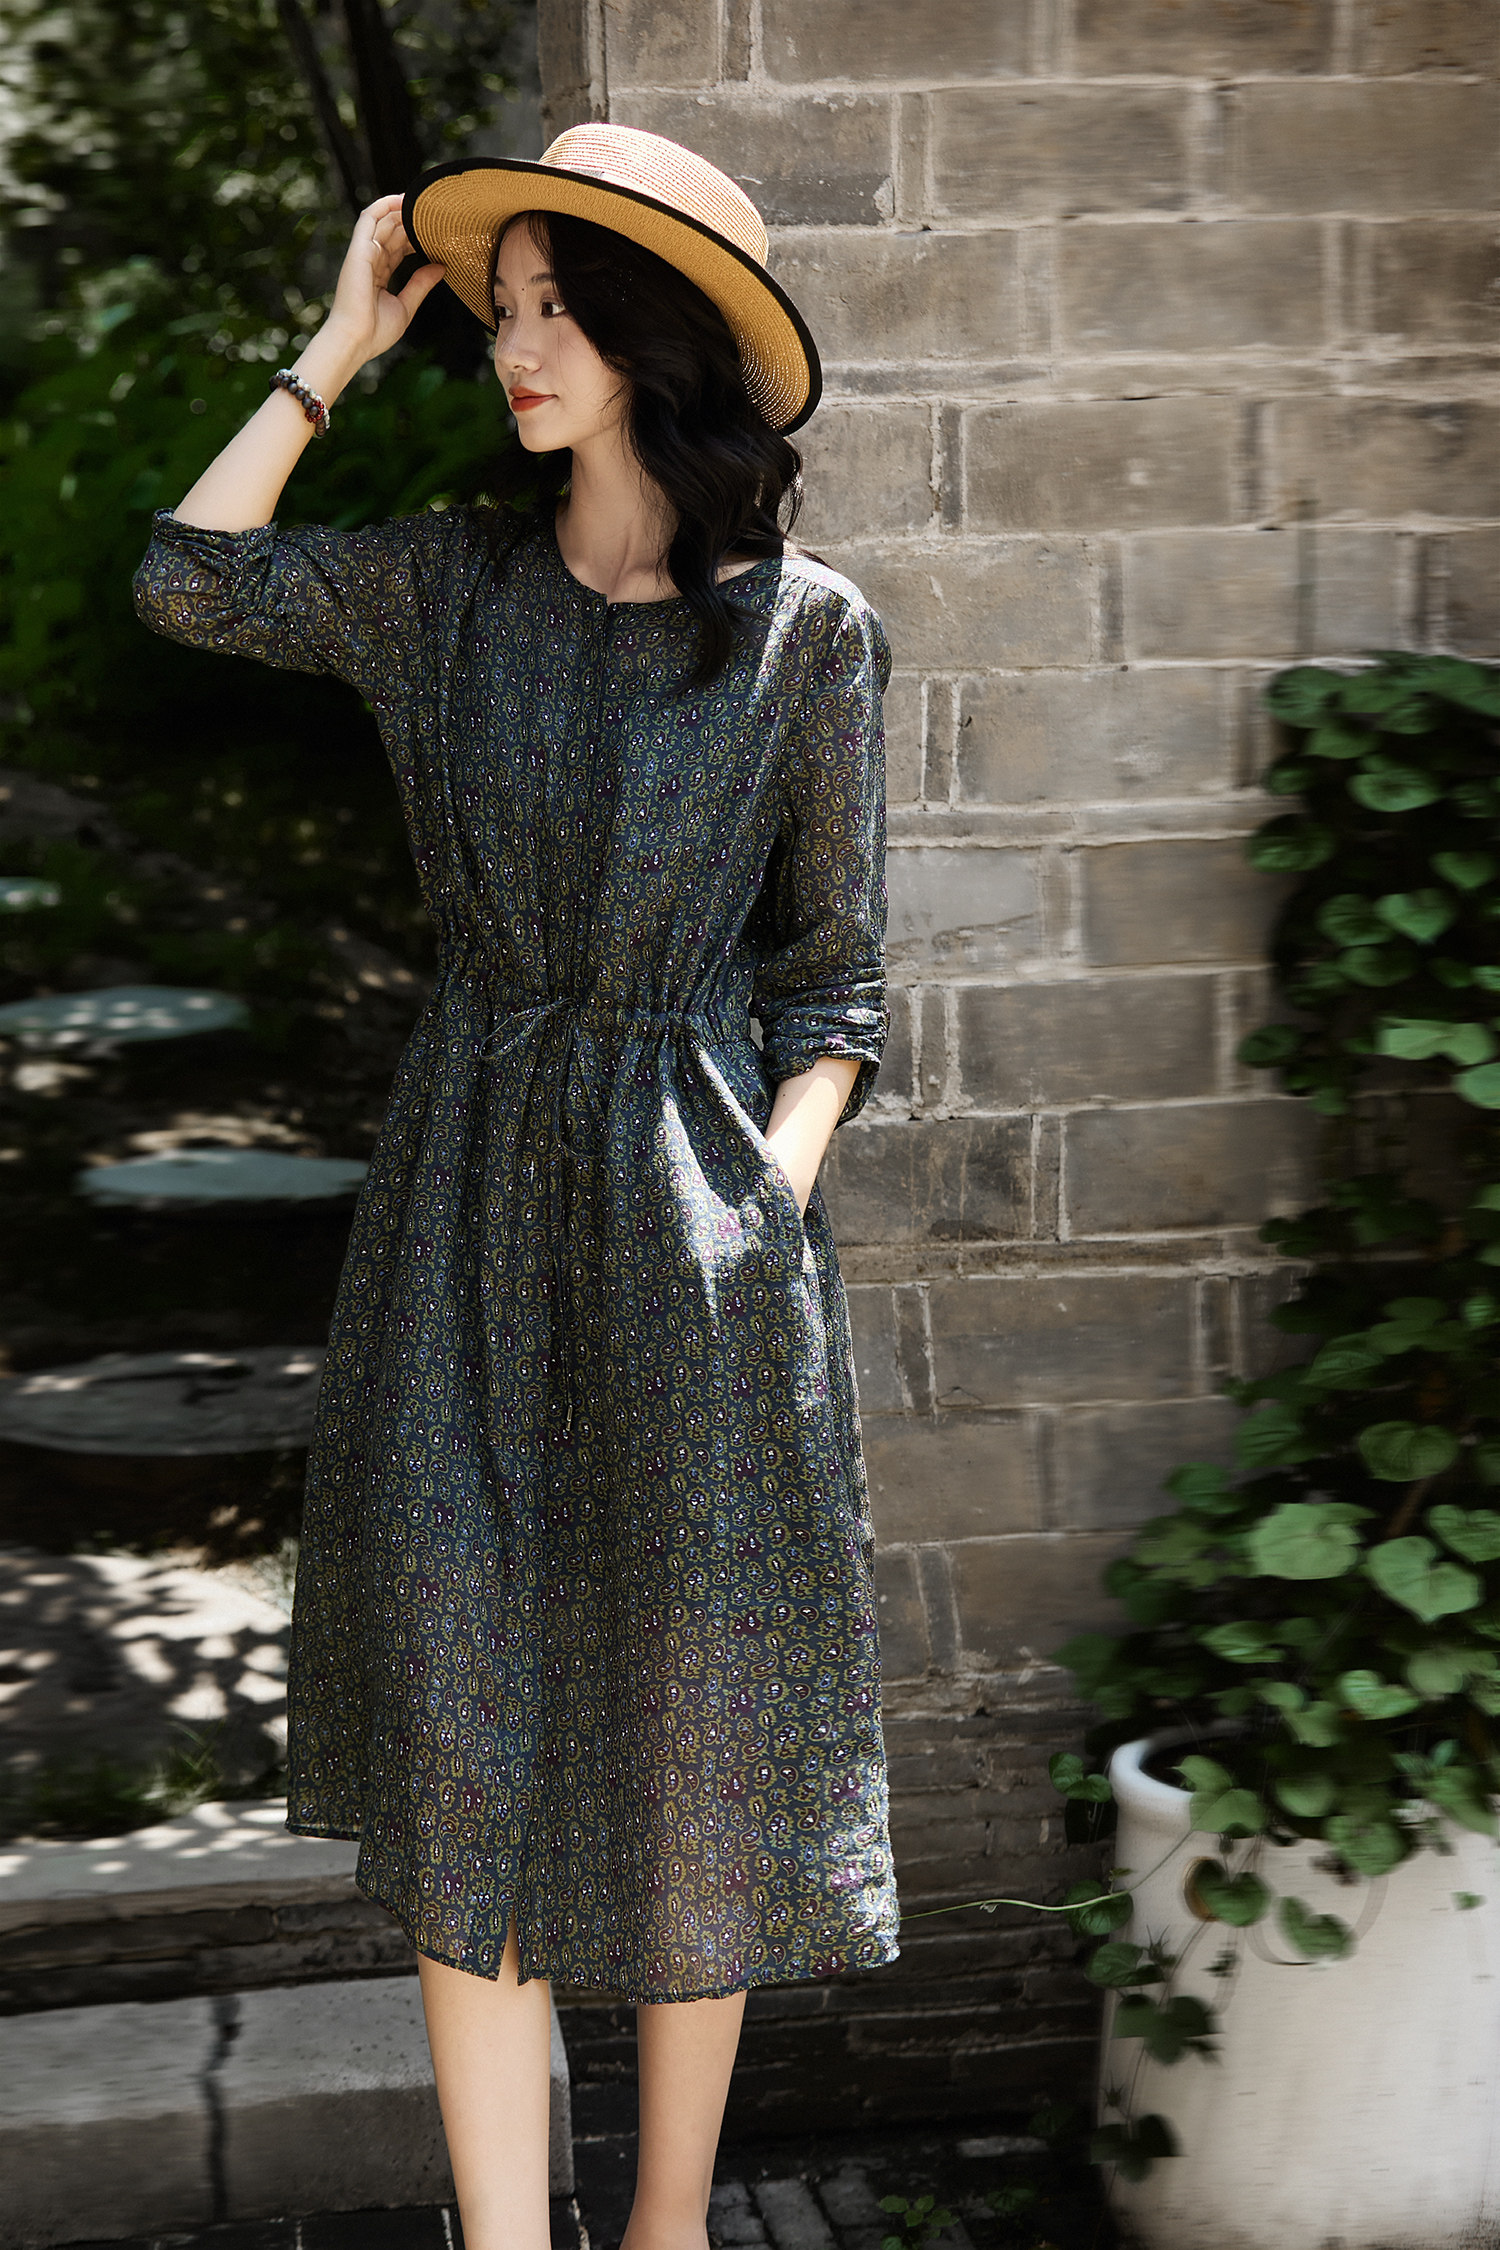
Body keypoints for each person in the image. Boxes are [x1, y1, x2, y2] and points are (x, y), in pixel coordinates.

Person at [134, 123, 898, 2250]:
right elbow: (186, 579)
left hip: (699, 1241)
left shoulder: (807, 637)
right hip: (459, 1218)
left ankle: (664, 2230)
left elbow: (838, 984)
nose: (516, 350)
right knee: (468, 1744)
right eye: (505, 309)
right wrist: (333, 349)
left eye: (563, 312)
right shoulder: (444, 589)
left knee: (687, 1751)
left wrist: (764, 1205)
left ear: (663, 343)